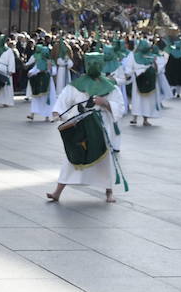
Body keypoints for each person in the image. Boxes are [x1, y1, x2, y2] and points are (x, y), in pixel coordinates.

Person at [46, 52, 128, 204]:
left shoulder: (110, 87)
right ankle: (57, 192)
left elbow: (120, 107)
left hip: (101, 127)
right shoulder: (76, 85)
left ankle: (109, 192)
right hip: (81, 126)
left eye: (96, 63)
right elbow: (64, 99)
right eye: (91, 63)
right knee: (73, 156)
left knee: (105, 158)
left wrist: (105, 103)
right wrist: (57, 112)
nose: (93, 67)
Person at [126, 39, 160, 127]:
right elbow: (129, 68)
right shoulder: (133, 55)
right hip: (138, 79)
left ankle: (145, 119)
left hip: (149, 80)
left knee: (146, 101)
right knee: (137, 99)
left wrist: (154, 64)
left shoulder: (152, 56)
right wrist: (129, 74)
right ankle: (135, 118)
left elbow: (157, 69)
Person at [26, 46, 56, 122]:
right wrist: (30, 72)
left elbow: (54, 72)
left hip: (48, 82)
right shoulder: (39, 61)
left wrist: (49, 68)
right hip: (38, 81)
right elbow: (35, 69)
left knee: (48, 98)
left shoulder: (51, 62)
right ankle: (32, 114)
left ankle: (47, 115)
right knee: (36, 98)